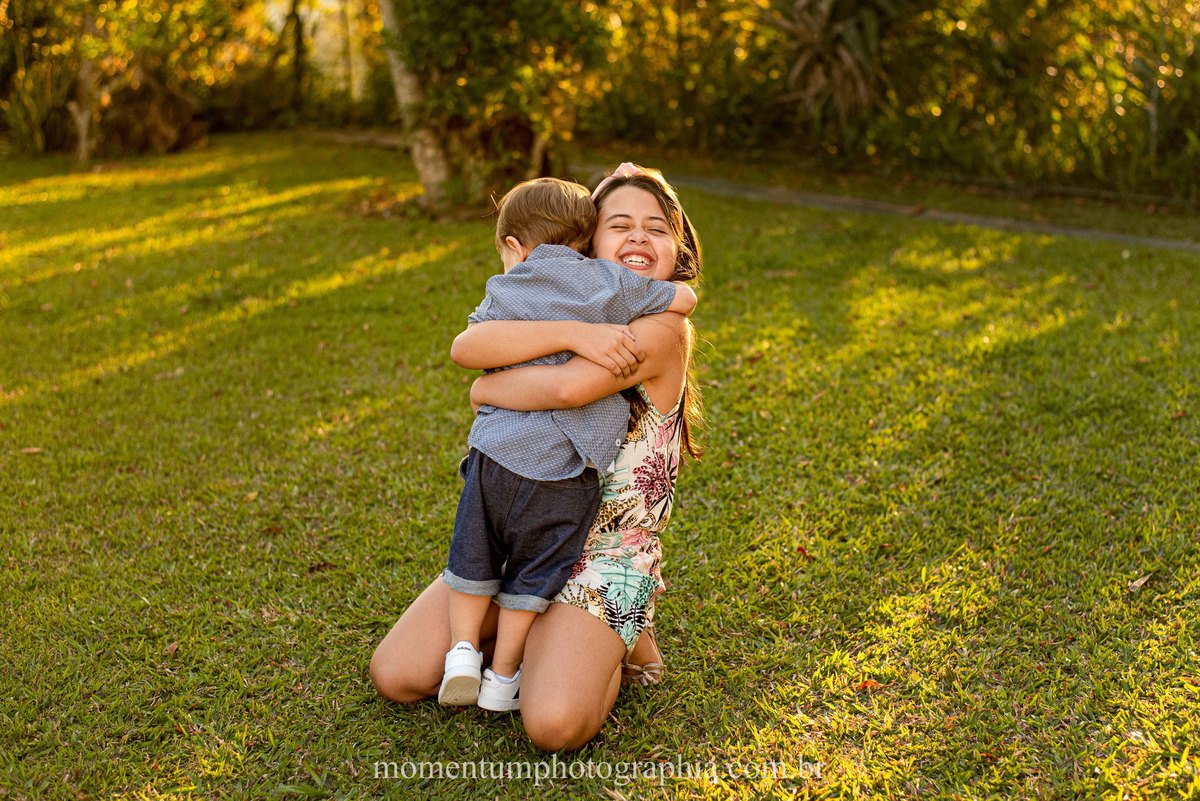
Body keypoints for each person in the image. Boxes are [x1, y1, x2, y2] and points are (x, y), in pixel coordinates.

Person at [370, 163, 703, 751]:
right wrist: (568, 332)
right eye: (618, 224)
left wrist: (485, 390)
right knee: (396, 674)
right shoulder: (555, 305)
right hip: (521, 537)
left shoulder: (661, 328)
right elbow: (472, 345)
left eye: (656, 228)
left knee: (551, 726)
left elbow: (565, 389)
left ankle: (620, 632)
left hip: (601, 558)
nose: (638, 238)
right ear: (581, 243)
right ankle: (542, 634)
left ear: (677, 247)